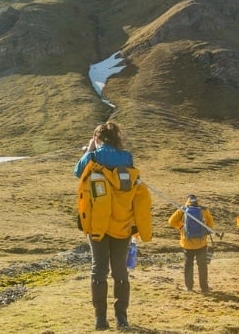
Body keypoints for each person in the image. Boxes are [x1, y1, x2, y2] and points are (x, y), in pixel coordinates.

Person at [74, 121, 152, 330]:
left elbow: (77, 172)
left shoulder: (93, 157)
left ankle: (100, 319)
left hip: (98, 225)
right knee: (120, 271)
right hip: (123, 225)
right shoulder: (127, 158)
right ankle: (122, 319)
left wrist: (91, 149)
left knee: (98, 269)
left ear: (98, 138)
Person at [168, 194, 215, 292]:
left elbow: (171, 221)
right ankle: (204, 287)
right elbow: (211, 224)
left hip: (187, 244)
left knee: (188, 265)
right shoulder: (203, 210)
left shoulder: (183, 210)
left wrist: (181, 227)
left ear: (187, 200)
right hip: (201, 244)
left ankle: (188, 287)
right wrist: (204, 231)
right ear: (196, 200)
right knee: (202, 266)